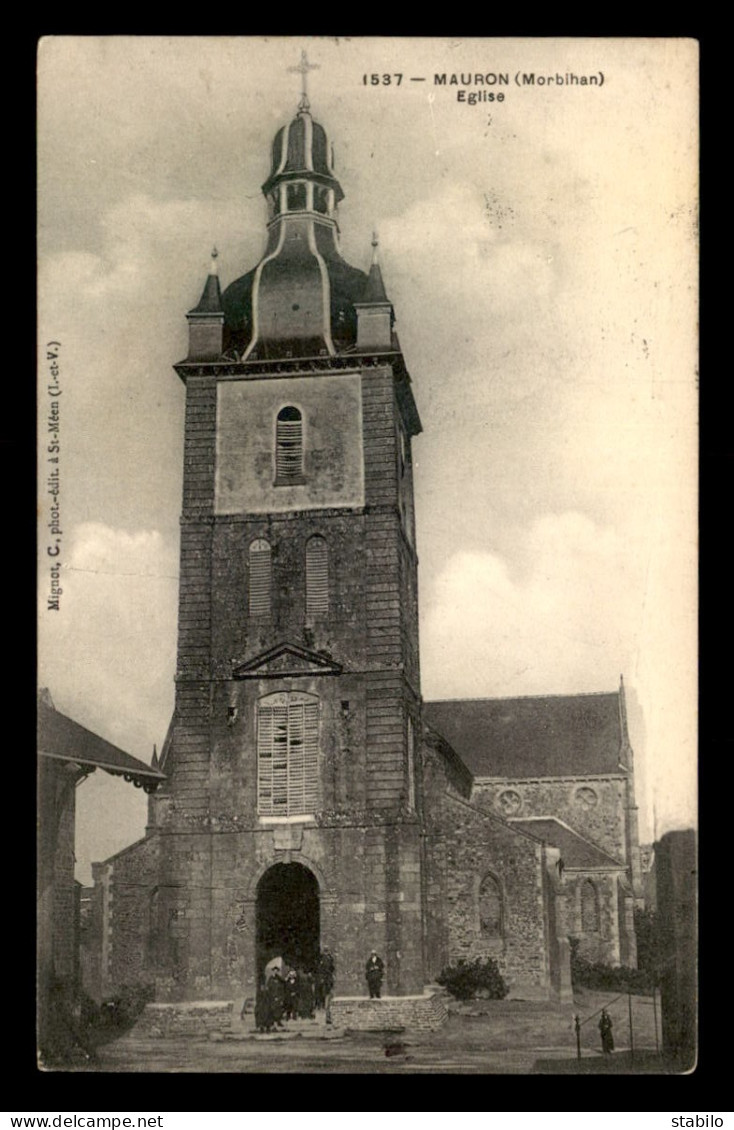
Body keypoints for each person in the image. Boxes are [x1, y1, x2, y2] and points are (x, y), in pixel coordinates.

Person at [318, 947, 335, 1024]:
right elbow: (328, 968)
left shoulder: (326, 959)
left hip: (327, 981)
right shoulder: (325, 959)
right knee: (327, 998)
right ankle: (327, 1017)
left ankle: (328, 1017)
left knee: (327, 998)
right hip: (327, 982)